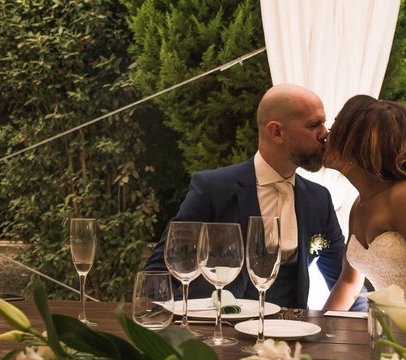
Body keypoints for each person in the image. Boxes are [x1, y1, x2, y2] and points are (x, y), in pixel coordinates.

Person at [146, 84, 364, 310]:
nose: (325, 134)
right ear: (276, 132)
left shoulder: (318, 200)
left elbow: (346, 281)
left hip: (290, 337)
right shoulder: (214, 189)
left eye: (324, 122)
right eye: (314, 125)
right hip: (219, 334)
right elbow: (160, 271)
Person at [323, 95, 406, 310]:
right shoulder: (359, 205)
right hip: (386, 331)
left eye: (335, 127)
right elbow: (348, 283)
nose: (326, 136)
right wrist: (321, 330)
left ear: (359, 140)